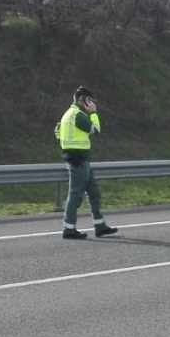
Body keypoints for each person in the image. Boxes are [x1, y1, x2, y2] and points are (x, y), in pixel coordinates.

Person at [55, 86, 117, 240]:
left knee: (94, 193)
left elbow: (57, 132)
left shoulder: (68, 114)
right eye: (89, 100)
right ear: (83, 100)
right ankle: (69, 229)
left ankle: (100, 226)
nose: (91, 103)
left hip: (81, 159)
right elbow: (95, 130)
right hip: (78, 160)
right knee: (75, 194)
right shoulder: (79, 115)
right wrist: (94, 113)